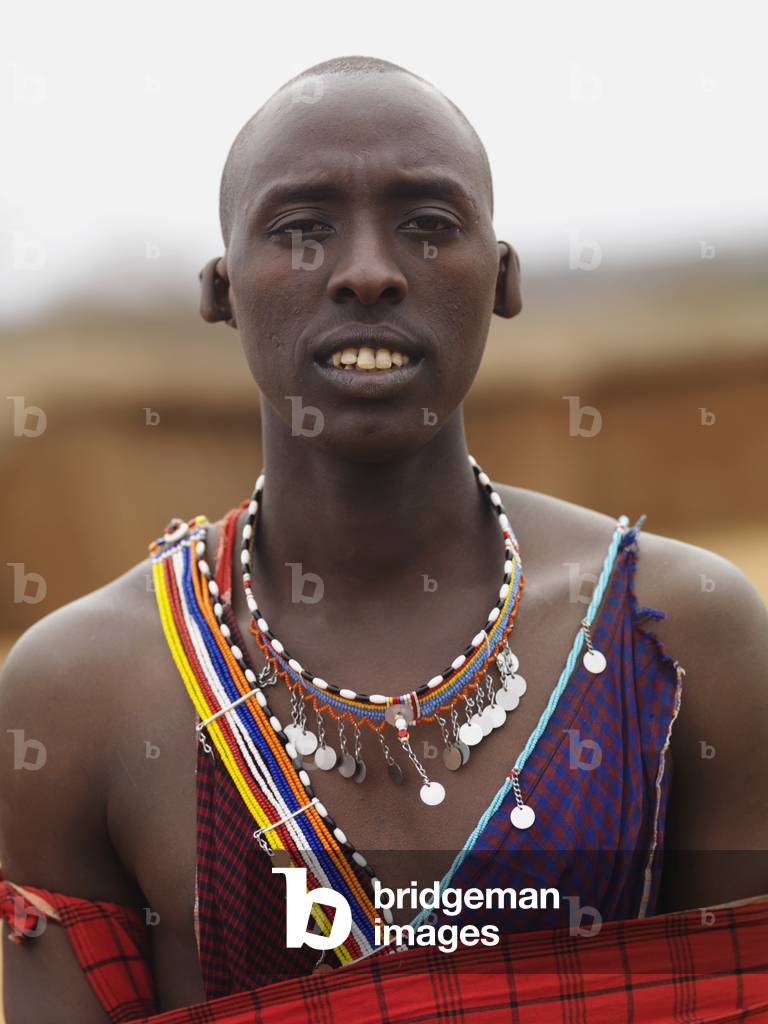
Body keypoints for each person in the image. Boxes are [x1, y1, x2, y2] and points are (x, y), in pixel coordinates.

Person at [1, 56, 767, 1024]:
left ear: (503, 278)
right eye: (303, 228)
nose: (367, 271)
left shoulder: (684, 639)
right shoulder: (80, 691)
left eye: (430, 225)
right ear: (222, 288)